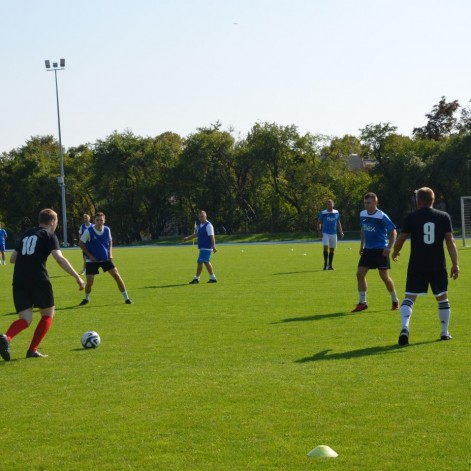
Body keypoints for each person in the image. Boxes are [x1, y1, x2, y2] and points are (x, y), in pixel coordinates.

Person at [0, 209, 85, 361]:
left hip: (19, 279)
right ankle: (32, 350)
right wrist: (77, 277)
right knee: (47, 314)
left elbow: (13, 259)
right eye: (57, 221)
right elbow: (59, 259)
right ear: (52, 221)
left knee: (25, 319)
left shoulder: (26, 234)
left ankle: (6, 337)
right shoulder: (49, 235)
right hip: (38, 278)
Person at [392, 187, 459, 345]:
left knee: (409, 298)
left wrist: (395, 252)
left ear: (419, 201)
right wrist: (455, 264)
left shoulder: (412, 217)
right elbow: (450, 241)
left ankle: (404, 327)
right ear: (433, 200)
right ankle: (444, 332)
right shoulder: (444, 217)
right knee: (442, 298)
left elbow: (400, 240)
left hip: (417, 264)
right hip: (437, 264)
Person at [352, 192, 399, 312]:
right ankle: (362, 303)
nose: (366, 205)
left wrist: (389, 247)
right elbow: (363, 229)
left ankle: (395, 300)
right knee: (359, 274)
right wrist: (362, 245)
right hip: (368, 250)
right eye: (365, 203)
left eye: (368, 203)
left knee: (384, 276)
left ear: (375, 202)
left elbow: (393, 231)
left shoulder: (381, 216)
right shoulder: (362, 214)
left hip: (380, 250)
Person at [78, 212, 133, 305]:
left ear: (104, 220)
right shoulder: (89, 231)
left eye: (101, 220)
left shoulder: (107, 230)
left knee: (117, 276)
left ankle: (127, 298)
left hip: (105, 259)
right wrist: (90, 255)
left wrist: (110, 253)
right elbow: (81, 243)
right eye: (97, 220)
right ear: (94, 221)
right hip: (92, 260)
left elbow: (110, 241)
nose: (99, 222)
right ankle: (86, 298)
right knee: (90, 282)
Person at [183, 210, 218, 284]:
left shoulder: (208, 225)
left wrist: (214, 247)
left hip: (207, 247)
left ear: (206, 216)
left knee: (199, 262)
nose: (201, 218)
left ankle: (196, 278)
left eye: (202, 216)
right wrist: (188, 238)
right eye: (200, 217)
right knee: (206, 262)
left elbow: (212, 237)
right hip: (202, 247)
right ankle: (213, 278)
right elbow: (197, 234)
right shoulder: (199, 226)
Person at [317, 199, 344, 270]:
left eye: (330, 204)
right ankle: (325, 264)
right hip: (325, 233)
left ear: (333, 205)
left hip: (334, 233)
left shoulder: (336, 212)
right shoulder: (323, 213)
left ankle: (330, 265)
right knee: (325, 246)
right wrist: (319, 232)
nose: (329, 205)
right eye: (328, 204)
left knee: (332, 249)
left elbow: (338, 222)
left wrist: (341, 232)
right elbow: (319, 222)